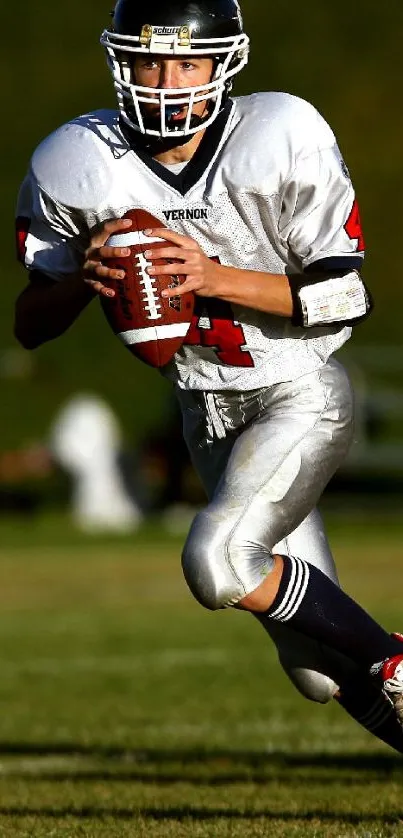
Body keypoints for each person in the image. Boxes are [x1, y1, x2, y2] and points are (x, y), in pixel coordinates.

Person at [14, 0, 403, 752]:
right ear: (120, 62)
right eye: (149, 61)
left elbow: (345, 293)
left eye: (187, 61)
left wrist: (212, 275)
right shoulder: (74, 159)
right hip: (207, 415)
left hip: (295, 391)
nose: (166, 80)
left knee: (217, 560)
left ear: (225, 61)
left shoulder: (279, 133)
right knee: (318, 671)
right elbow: (30, 325)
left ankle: (392, 656)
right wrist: (79, 281)